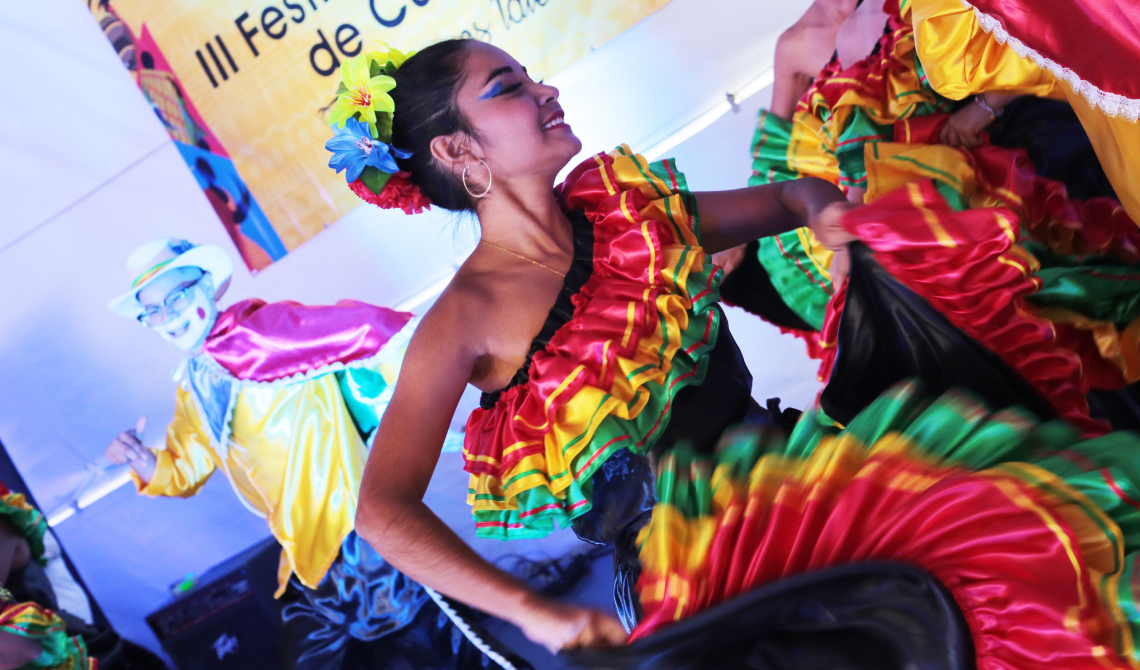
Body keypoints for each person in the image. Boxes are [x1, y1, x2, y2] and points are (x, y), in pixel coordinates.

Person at [329, 39, 1140, 668]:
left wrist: (830, 214)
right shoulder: (463, 318)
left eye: (531, 77)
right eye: (508, 88)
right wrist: (533, 611)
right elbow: (382, 510)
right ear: (456, 152)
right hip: (705, 580)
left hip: (805, 484)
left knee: (1016, 555)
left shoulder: (623, 217)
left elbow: (790, 195)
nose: (547, 92)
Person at [104, 239, 529, 669]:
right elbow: (183, 468)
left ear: (206, 285)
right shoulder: (195, 383)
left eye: (174, 296)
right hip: (306, 566)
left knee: (459, 658)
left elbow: (383, 333)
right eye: (152, 310)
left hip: (364, 543)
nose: (167, 316)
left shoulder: (266, 331)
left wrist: (424, 409)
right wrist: (139, 457)